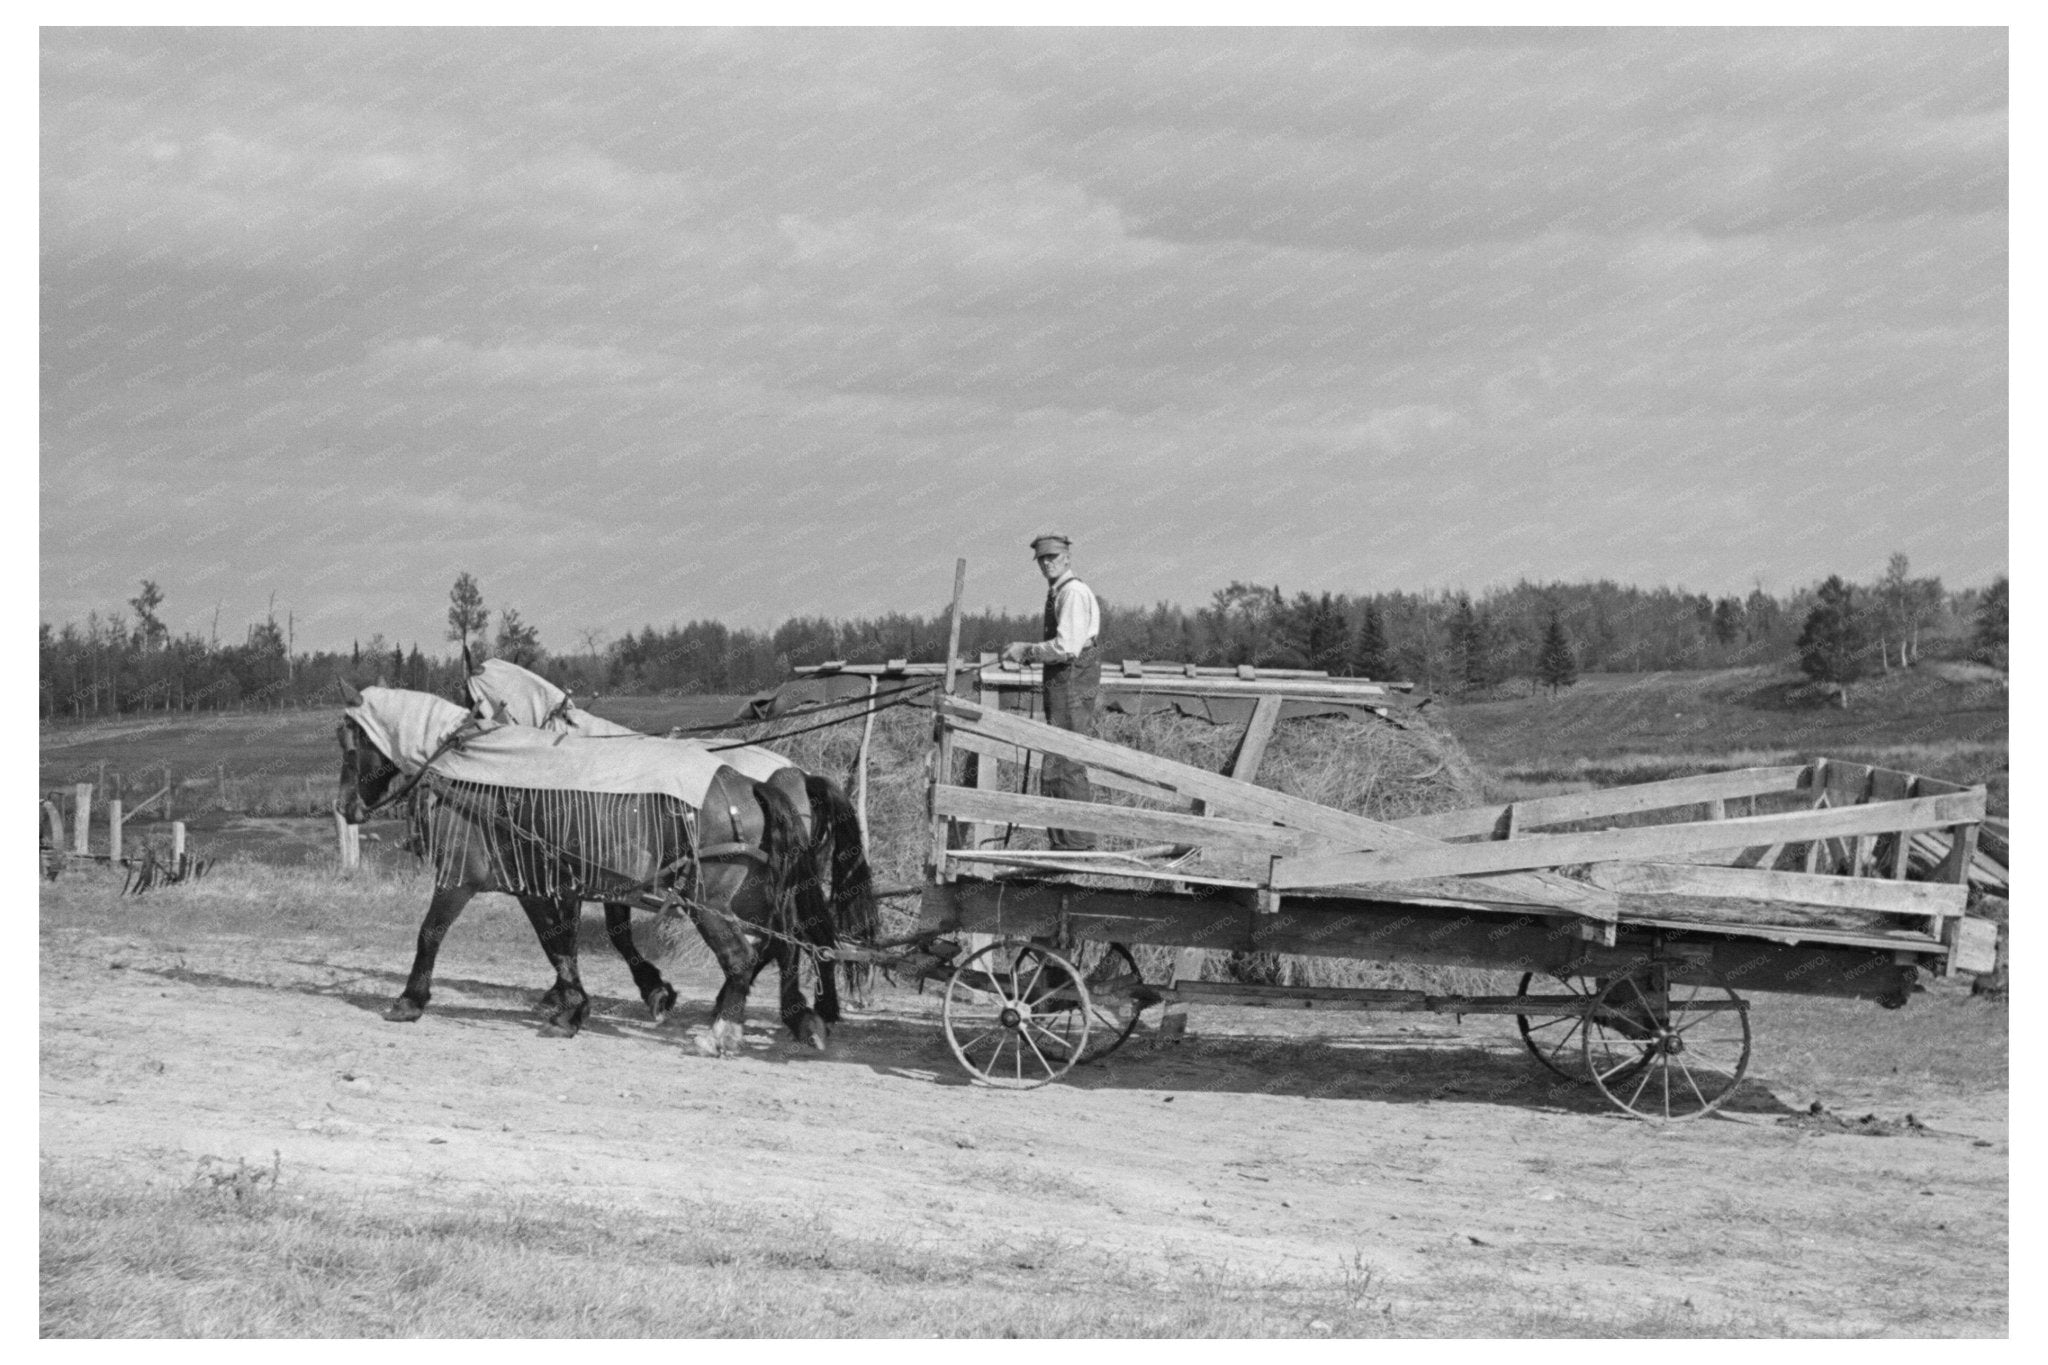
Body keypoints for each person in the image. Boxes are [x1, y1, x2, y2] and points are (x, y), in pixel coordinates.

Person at [1002, 534, 1101, 850]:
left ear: (1067, 557)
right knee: (1059, 756)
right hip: (1062, 679)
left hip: (1071, 679)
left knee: (1066, 758)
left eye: (1053, 557)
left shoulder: (1071, 593)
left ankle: (1074, 842)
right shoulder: (1058, 592)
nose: (1048, 563)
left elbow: (1066, 647)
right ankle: (1066, 841)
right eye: (1042, 559)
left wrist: (1027, 651)